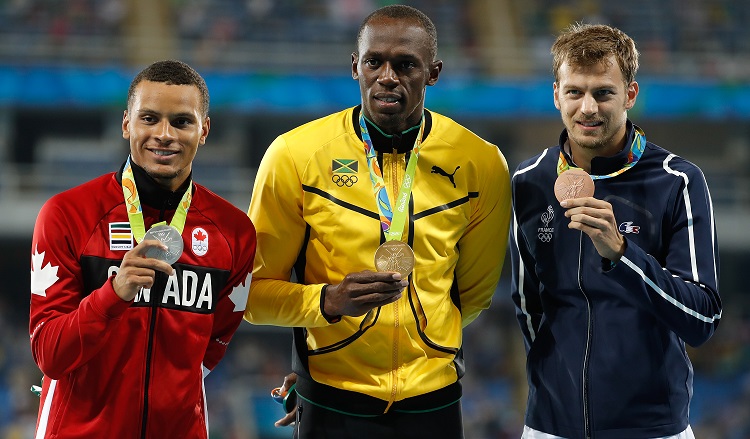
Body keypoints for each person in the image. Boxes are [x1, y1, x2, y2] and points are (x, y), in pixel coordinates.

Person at [245, 4, 511, 438]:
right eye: (375, 62)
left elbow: (473, 294)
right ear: (356, 67)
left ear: (434, 72)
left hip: (435, 401)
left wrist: (420, 342)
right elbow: (252, 294)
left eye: (406, 65)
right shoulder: (294, 155)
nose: (388, 76)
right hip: (331, 398)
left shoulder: (481, 163)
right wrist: (327, 303)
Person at [509, 23, 721, 439]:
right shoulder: (529, 181)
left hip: (652, 428)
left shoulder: (676, 181)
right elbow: (527, 304)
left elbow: (703, 316)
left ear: (630, 94)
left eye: (603, 92)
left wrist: (623, 254)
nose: (588, 108)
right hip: (551, 427)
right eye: (574, 91)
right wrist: (555, 386)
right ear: (556, 94)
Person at [29, 60, 256, 438]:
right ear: (125, 124)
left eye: (182, 122)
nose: (164, 134)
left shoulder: (234, 232)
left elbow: (210, 349)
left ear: (204, 130)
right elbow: (51, 355)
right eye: (148, 118)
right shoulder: (67, 215)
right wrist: (113, 295)